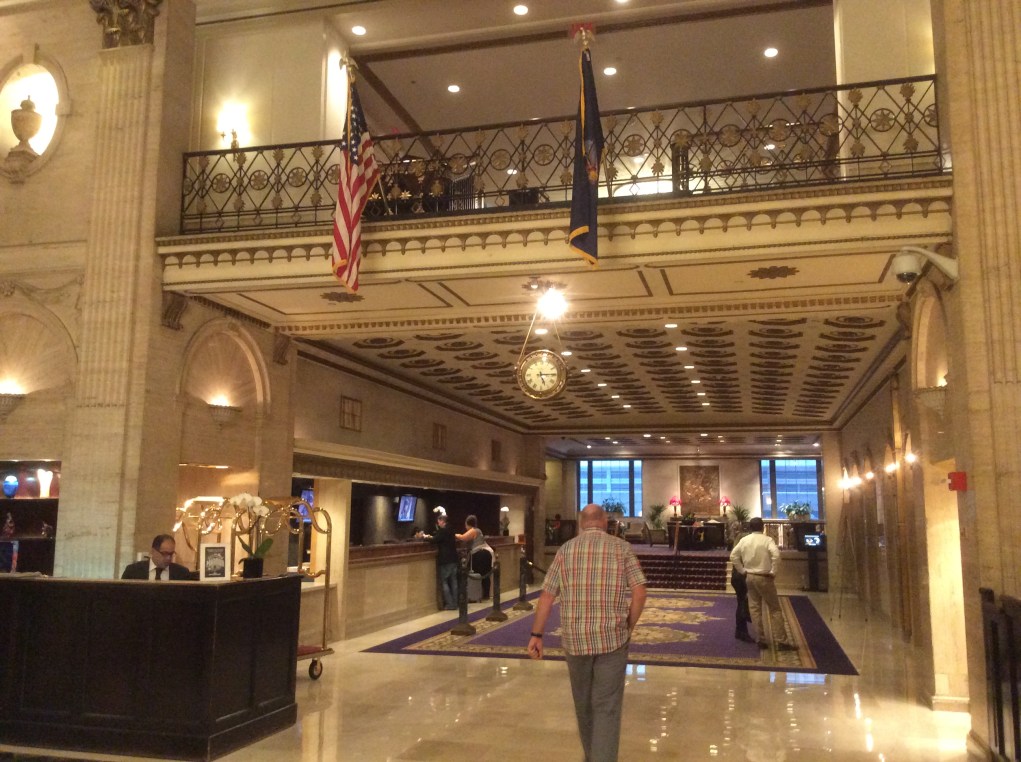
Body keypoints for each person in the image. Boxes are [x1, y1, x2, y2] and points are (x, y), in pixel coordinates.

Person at [527, 504, 647, 762]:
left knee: (583, 704)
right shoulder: (621, 548)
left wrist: (537, 634)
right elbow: (640, 592)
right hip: (612, 639)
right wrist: (630, 624)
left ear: (582, 523)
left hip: (575, 640)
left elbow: (547, 595)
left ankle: (593, 755)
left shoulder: (565, 550)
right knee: (607, 707)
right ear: (604, 521)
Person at [729, 517, 796, 651]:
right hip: (764, 577)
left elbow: (733, 556)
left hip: (749, 577)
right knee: (774, 609)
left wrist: (742, 571)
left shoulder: (744, 540)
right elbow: (776, 555)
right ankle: (782, 641)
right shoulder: (767, 540)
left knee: (755, 609)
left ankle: (761, 639)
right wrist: (773, 571)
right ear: (763, 527)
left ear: (750, 527)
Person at [416, 513, 458, 610]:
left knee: (444, 581)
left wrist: (425, 537)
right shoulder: (452, 530)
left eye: (439, 522)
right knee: (454, 581)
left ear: (442, 521)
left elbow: (434, 540)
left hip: (445, 559)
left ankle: (450, 604)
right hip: (454, 558)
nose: (438, 524)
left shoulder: (442, 531)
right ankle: (455, 603)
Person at [121, 534, 193, 580]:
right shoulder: (133, 571)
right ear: (153, 551)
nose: (168, 558)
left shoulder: (182, 573)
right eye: (164, 553)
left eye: (171, 554)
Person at [455, 514, 493, 599]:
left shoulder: (474, 530)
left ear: (467, 524)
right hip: (486, 554)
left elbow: (463, 537)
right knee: (485, 574)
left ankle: (476, 595)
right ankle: (485, 594)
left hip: (480, 554)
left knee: (478, 573)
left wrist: (453, 534)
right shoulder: (479, 530)